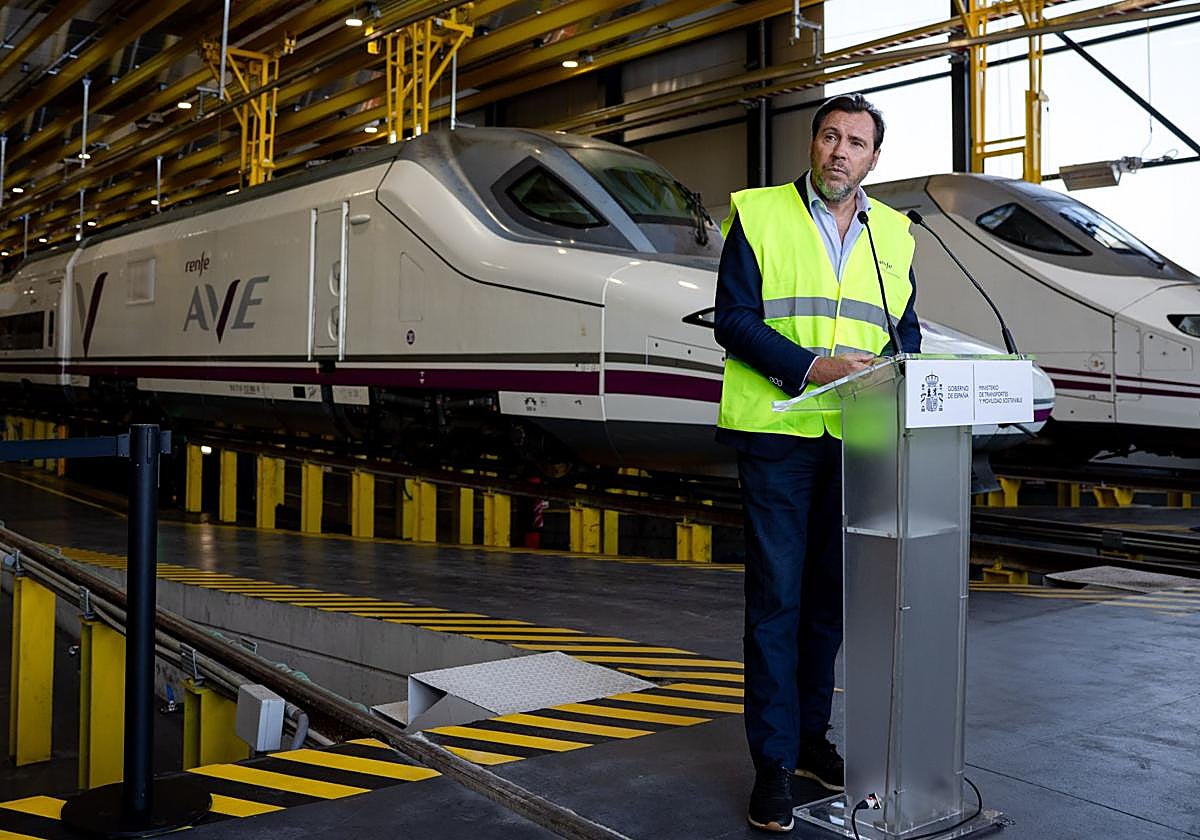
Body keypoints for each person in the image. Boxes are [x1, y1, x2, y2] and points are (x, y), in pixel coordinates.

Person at [713, 93, 921, 833]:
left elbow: (906, 336)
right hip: (778, 431)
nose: (840, 151)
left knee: (828, 603)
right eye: (829, 136)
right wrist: (815, 367)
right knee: (777, 601)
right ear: (812, 145)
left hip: (855, 438)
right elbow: (731, 321)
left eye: (856, 143)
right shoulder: (761, 214)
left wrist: (899, 373)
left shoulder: (893, 235)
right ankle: (771, 767)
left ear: (873, 159)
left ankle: (808, 741)